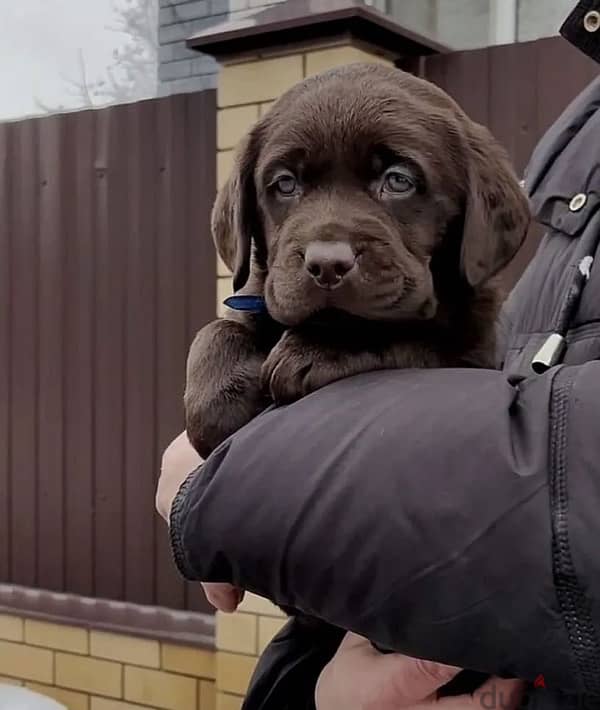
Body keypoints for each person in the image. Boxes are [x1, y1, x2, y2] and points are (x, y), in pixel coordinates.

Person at [156, 1, 600, 708]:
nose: (328, 245)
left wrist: (233, 484)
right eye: (288, 185)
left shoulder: (464, 331)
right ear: (251, 220)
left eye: (396, 181)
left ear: (470, 218)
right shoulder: (585, 127)